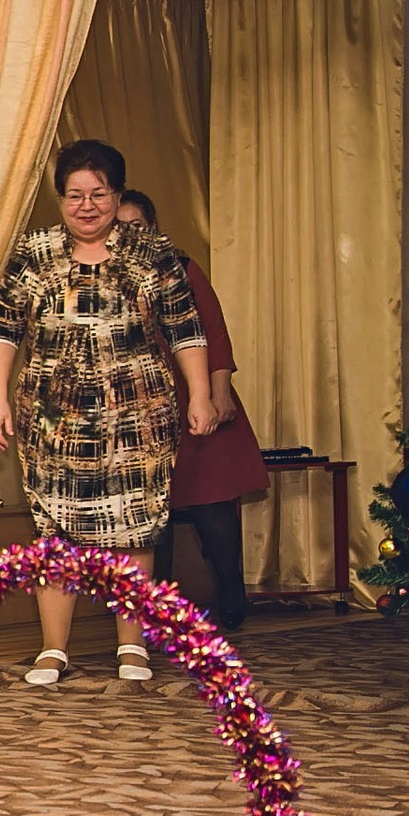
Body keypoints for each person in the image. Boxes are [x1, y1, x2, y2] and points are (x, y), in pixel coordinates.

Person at [0, 140, 216, 685]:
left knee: (134, 530)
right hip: (51, 418)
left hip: (137, 412)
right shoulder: (34, 252)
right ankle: (53, 649)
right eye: (74, 196)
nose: (86, 206)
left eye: (99, 194)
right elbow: (4, 330)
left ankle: (131, 647)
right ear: (60, 198)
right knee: (55, 530)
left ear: (117, 194)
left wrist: (201, 393)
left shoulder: (152, 251)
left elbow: (186, 329)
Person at [117, 191, 266, 630]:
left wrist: (220, 395)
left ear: (154, 227)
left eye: (137, 226)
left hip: (194, 398)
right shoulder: (101, 277)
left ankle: (232, 596)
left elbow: (214, 334)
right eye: (120, 227)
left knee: (212, 507)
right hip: (139, 410)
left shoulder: (180, 268)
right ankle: (153, 610)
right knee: (150, 515)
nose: (130, 236)